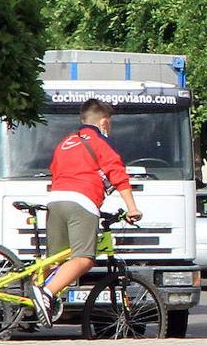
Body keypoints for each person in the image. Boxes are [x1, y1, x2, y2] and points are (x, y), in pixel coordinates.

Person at [31, 98, 143, 327]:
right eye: (109, 124)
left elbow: (55, 170)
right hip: (82, 202)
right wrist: (132, 208)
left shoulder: (65, 142)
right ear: (103, 122)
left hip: (55, 201)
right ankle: (47, 293)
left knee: (58, 259)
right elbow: (118, 174)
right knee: (83, 258)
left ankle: (35, 289)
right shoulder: (100, 142)